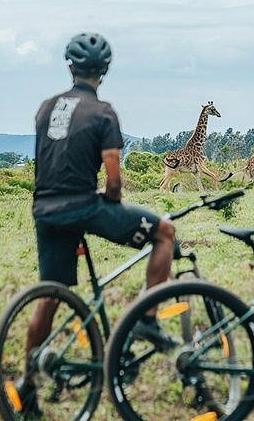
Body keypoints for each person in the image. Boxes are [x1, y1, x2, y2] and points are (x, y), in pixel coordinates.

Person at [15, 32, 177, 417]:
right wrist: (112, 200)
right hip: (84, 207)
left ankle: (27, 382)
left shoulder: (44, 108)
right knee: (165, 233)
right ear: (103, 71)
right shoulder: (103, 112)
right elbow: (114, 179)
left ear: (69, 66)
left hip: (45, 210)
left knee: (50, 294)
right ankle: (149, 320)